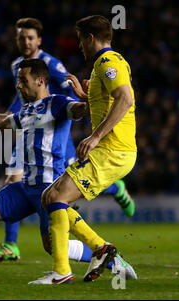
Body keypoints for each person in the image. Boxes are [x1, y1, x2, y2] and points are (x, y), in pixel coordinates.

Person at [0, 59, 135, 282]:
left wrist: (86, 96)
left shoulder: (58, 103)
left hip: (49, 187)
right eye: (18, 80)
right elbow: (5, 122)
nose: (19, 85)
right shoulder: (28, 111)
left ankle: (111, 259)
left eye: (24, 80)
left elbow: (82, 111)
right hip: (26, 186)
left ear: (40, 80)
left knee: (52, 247)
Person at [0, 18, 135, 263]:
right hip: (29, 128)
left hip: (59, 133)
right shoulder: (18, 65)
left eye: (30, 37)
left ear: (38, 41)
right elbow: (21, 101)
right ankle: (13, 245)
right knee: (40, 190)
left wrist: (86, 122)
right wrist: (11, 118)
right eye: (21, 37)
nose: (25, 42)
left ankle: (70, 266)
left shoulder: (55, 64)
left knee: (55, 195)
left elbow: (119, 98)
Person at [36, 15, 137, 284]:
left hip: (113, 149)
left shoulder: (108, 62)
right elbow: (106, 98)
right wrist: (85, 95)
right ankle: (101, 250)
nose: (79, 45)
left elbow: (125, 99)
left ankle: (61, 272)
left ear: (90, 38)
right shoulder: (104, 65)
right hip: (114, 150)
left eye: (80, 39)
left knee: (57, 195)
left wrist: (94, 137)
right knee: (50, 197)